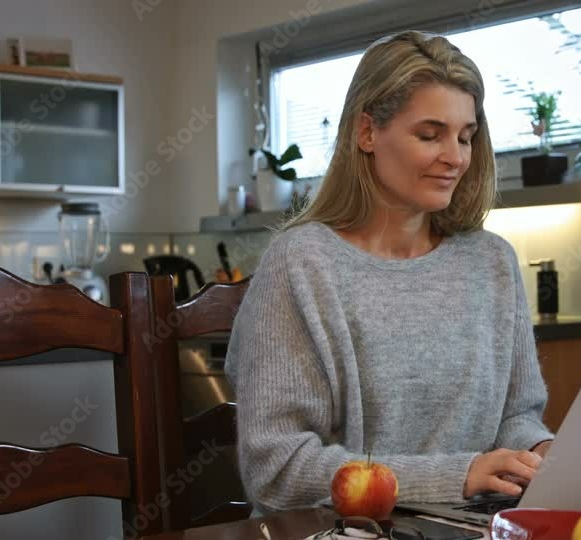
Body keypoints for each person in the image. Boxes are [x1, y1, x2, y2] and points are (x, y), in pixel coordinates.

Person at [225, 30, 554, 514]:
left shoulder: (493, 263)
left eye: (466, 137)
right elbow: (278, 470)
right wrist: (455, 477)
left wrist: (539, 453)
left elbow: (517, 419)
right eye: (430, 134)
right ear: (367, 132)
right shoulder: (301, 264)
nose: (456, 158)